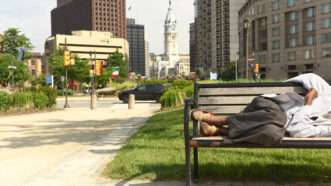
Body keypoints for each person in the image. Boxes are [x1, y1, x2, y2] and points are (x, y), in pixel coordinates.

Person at [192, 73, 331, 145]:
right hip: (269, 106)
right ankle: (218, 120)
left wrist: (307, 104)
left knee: (272, 134)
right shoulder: (326, 91)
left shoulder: (328, 128)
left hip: (279, 126)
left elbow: (297, 131)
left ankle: (219, 131)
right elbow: (307, 79)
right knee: (278, 117)